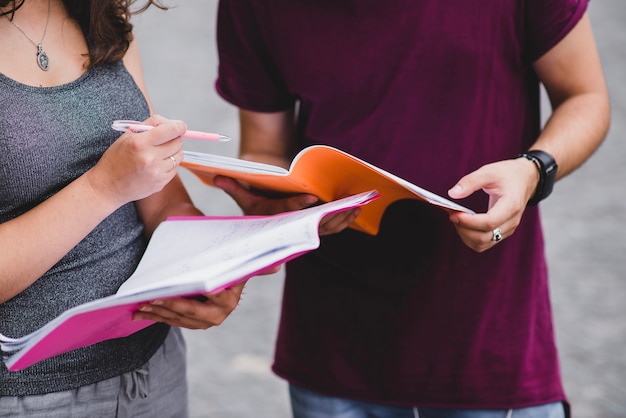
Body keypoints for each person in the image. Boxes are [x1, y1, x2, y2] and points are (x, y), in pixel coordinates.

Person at [212, 0, 610, 417]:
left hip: (486, 334)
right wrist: (278, 207)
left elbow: (585, 97)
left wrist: (532, 171)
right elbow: (264, 147)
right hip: (332, 341)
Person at [0, 0, 254, 416]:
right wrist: (101, 187)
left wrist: (210, 264)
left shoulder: (97, 12)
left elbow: (154, 195)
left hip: (153, 368)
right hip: (30, 396)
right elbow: (118, 182)